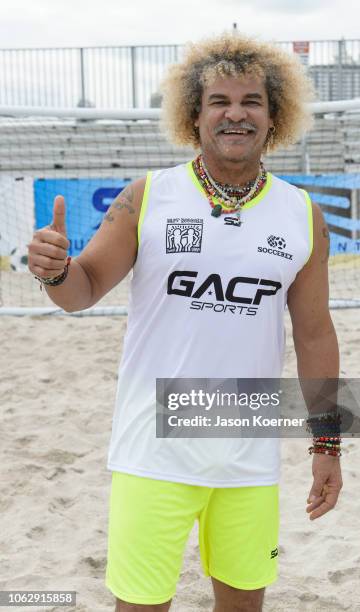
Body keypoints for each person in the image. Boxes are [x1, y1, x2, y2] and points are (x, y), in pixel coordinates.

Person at [28, 33, 343, 612]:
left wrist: (327, 444)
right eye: (218, 100)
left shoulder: (303, 215)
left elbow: (315, 334)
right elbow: (84, 291)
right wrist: (55, 272)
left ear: (274, 117)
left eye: (252, 100)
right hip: (153, 451)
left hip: (247, 452)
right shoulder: (148, 197)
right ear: (193, 116)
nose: (235, 113)